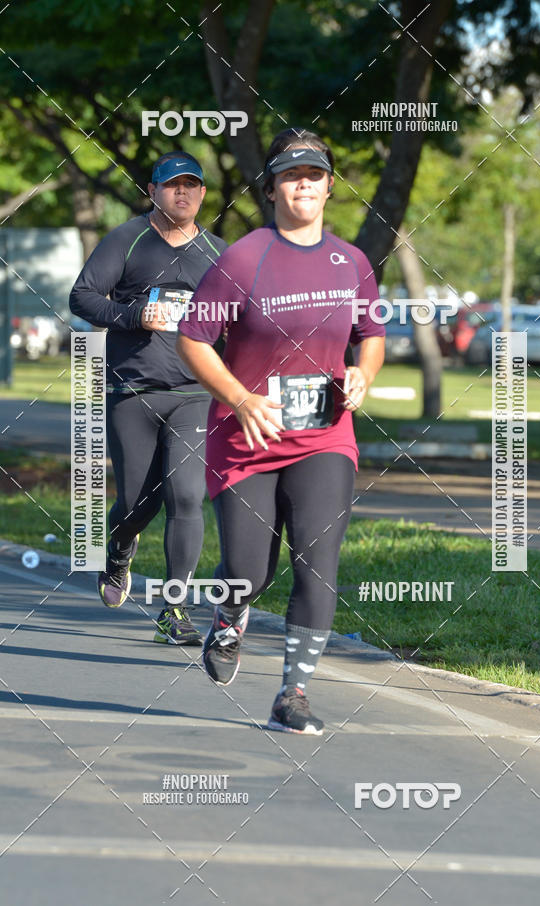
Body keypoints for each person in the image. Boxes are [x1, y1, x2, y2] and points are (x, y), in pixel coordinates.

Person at [177, 129, 385, 733]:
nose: (305, 184)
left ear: (328, 187)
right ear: (271, 189)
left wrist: (362, 374)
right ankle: (230, 613)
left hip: (324, 433)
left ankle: (292, 693)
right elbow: (193, 338)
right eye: (292, 175)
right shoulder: (244, 258)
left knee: (317, 562)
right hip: (248, 437)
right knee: (250, 569)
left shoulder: (352, 261)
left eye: (315, 174)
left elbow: (371, 335)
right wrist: (238, 397)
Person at [70, 150, 227, 644]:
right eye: (172, 185)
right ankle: (119, 552)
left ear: (202, 194)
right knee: (138, 504)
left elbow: (239, 321)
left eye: (192, 185)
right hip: (131, 392)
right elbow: (84, 296)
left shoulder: (220, 254)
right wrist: (135, 315)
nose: (183, 193)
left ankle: (174, 609)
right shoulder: (128, 238)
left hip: (194, 394)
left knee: (186, 496)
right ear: (153, 192)